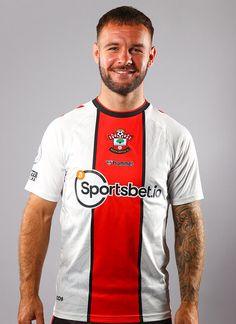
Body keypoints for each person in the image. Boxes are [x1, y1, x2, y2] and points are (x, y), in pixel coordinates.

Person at [18, 6, 205, 324]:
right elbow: (39, 212)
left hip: (150, 311)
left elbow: (188, 222)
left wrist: (189, 303)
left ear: (151, 55)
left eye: (136, 49)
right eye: (113, 48)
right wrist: (27, 293)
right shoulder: (63, 129)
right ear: (96, 53)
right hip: (74, 310)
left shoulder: (175, 135)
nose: (125, 59)